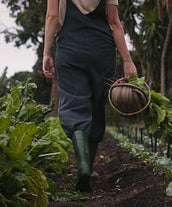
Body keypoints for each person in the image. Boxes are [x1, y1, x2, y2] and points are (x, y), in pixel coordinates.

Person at [43, 0, 137, 192]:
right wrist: (127, 61)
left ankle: (83, 168)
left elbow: (52, 16)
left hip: (70, 52)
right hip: (102, 53)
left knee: (74, 106)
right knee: (97, 106)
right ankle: (90, 169)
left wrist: (47, 53)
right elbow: (114, 23)